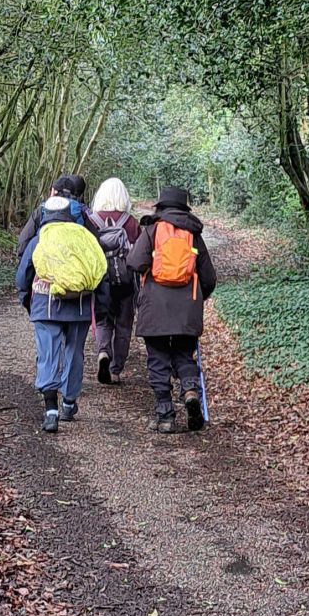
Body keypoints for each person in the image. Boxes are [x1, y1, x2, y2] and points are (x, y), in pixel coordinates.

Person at [15, 173, 107, 431]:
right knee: (74, 352)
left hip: (45, 303)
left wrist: (27, 301)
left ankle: (50, 411)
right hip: (79, 304)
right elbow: (100, 270)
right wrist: (101, 306)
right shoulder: (85, 238)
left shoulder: (41, 237)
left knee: (48, 355)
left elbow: (23, 274)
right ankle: (68, 403)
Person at [129, 183, 217, 432]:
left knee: (158, 360)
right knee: (183, 354)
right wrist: (199, 298)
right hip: (186, 309)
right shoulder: (193, 235)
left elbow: (135, 262)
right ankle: (190, 392)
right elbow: (209, 277)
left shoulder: (152, 231)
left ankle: (165, 416)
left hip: (154, 309)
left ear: (161, 206)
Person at [89, 177, 141, 385]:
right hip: (126, 280)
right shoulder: (130, 222)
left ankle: (103, 352)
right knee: (124, 324)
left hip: (101, 278)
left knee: (102, 319)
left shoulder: (92, 221)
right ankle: (116, 368)